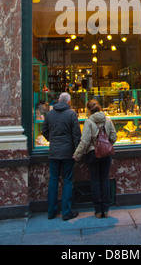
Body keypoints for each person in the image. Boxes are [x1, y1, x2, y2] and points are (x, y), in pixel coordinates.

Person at [73, 99, 117, 218]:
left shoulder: (89, 122)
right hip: (106, 155)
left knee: (96, 181)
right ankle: (106, 209)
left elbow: (85, 141)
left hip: (93, 154)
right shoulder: (107, 120)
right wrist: (107, 145)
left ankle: (98, 210)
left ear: (88, 110)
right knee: (105, 180)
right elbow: (114, 136)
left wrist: (77, 154)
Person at [42, 92, 81, 220]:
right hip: (67, 152)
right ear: (68, 102)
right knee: (68, 180)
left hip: (54, 151)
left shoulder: (49, 114)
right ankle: (66, 211)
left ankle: (51, 211)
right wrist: (76, 150)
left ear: (59, 100)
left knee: (53, 180)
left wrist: (52, 140)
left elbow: (44, 131)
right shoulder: (71, 114)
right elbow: (76, 134)